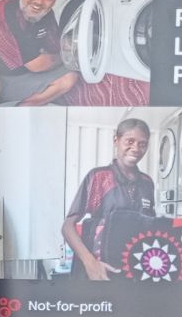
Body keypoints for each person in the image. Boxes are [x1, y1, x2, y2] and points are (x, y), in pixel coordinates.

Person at [62, 116, 157, 280]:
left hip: (135, 270)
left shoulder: (147, 182)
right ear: (116, 140)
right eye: (129, 141)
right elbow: (67, 227)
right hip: (101, 269)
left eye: (142, 144)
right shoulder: (99, 177)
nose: (136, 148)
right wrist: (90, 264)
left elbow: (150, 226)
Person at [0, 0, 77, 106]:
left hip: (20, 78)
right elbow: (37, 65)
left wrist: (65, 49)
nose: (39, 2)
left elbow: (55, 46)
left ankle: (23, 108)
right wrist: (67, 56)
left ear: (54, 1)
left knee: (69, 78)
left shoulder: (46, 14)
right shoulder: (1, 15)